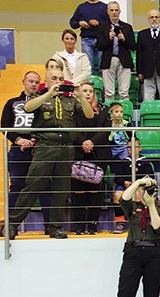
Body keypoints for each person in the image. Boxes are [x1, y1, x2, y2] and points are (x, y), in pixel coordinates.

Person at [7, 69, 94, 239]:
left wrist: (81, 96)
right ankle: (13, 225)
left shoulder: (70, 100)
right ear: (46, 81)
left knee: (61, 190)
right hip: (45, 147)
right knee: (32, 186)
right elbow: (27, 107)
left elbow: (89, 115)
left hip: (66, 148)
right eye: (54, 78)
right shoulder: (39, 97)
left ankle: (55, 227)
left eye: (61, 78)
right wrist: (48, 94)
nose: (58, 81)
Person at [0, 71, 49, 240]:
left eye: (37, 82)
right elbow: (5, 126)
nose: (34, 84)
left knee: (44, 187)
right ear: (24, 82)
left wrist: (37, 140)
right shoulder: (11, 103)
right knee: (17, 187)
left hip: (40, 149)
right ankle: (11, 227)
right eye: (31, 81)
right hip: (17, 149)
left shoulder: (44, 103)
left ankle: (49, 226)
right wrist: (19, 139)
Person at [70, 82, 111, 235]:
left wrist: (92, 142)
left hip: (98, 154)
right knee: (78, 192)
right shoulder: (72, 110)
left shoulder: (103, 110)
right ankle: (79, 225)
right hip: (78, 153)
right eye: (84, 91)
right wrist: (83, 142)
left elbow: (106, 130)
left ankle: (93, 225)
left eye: (90, 91)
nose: (87, 93)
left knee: (95, 192)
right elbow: (71, 130)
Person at [111, 138, 154, 234]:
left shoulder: (145, 162)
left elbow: (150, 177)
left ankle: (141, 222)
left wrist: (139, 184)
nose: (131, 149)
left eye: (134, 147)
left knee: (140, 196)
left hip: (140, 187)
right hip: (125, 187)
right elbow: (117, 178)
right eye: (129, 147)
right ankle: (120, 223)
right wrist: (125, 182)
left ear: (140, 148)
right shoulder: (123, 162)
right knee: (117, 195)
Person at [96, 1, 136, 101]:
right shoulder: (102, 27)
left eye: (116, 10)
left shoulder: (127, 27)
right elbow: (99, 46)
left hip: (124, 61)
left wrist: (124, 39)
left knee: (124, 93)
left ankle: (125, 114)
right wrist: (108, 38)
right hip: (109, 60)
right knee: (109, 92)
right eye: (112, 10)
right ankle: (108, 115)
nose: (114, 12)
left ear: (120, 12)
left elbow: (133, 46)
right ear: (108, 12)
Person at [69, 0, 108, 75]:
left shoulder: (104, 7)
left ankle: (101, 86)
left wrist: (99, 23)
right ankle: (90, 86)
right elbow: (72, 23)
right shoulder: (81, 7)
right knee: (88, 66)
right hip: (87, 39)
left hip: (102, 40)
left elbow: (110, 23)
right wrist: (80, 23)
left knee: (102, 67)